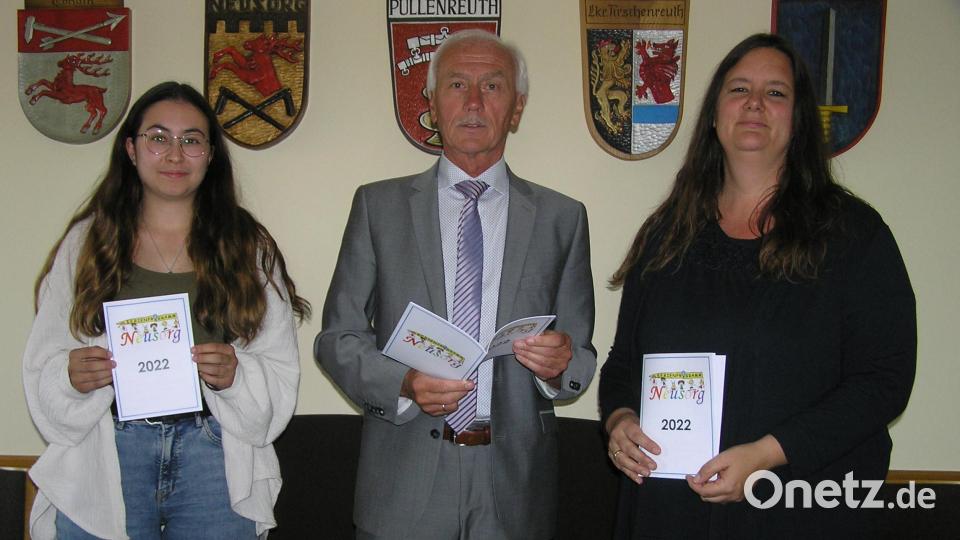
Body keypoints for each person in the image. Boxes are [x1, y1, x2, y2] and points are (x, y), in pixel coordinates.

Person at [599, 33, 916, 539]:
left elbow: (884, 381)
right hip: (670, 510)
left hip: (801, 505)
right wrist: (619, 421)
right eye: (738, 89)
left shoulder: (853, 233)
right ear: (714, 114)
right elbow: (623, 363)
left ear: (799, 119)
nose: (753, 103)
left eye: (775, 93)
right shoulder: (667, 234)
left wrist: (767, 454)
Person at [316, 29, 596, 539]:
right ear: (430, 99)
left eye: (492, 86)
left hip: (513, 482)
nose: (472, 102)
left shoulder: (562, 218)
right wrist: (403, 383)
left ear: (517, 108)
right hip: (405, 472)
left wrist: (558, 366)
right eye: (455, 84)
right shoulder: (378, 208)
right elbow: (338, 338)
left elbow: (580, 353)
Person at [22, 82, 310, 540]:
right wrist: (71, 379)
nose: (175, 154)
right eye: (158, 137)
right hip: (108, 451)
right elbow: (44, 362)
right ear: (131, 149)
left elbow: (279, 367)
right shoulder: (85, 244)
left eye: (191, 140)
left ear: (210, 154)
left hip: (212, 455)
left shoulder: (246, 245)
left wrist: (237, 375)